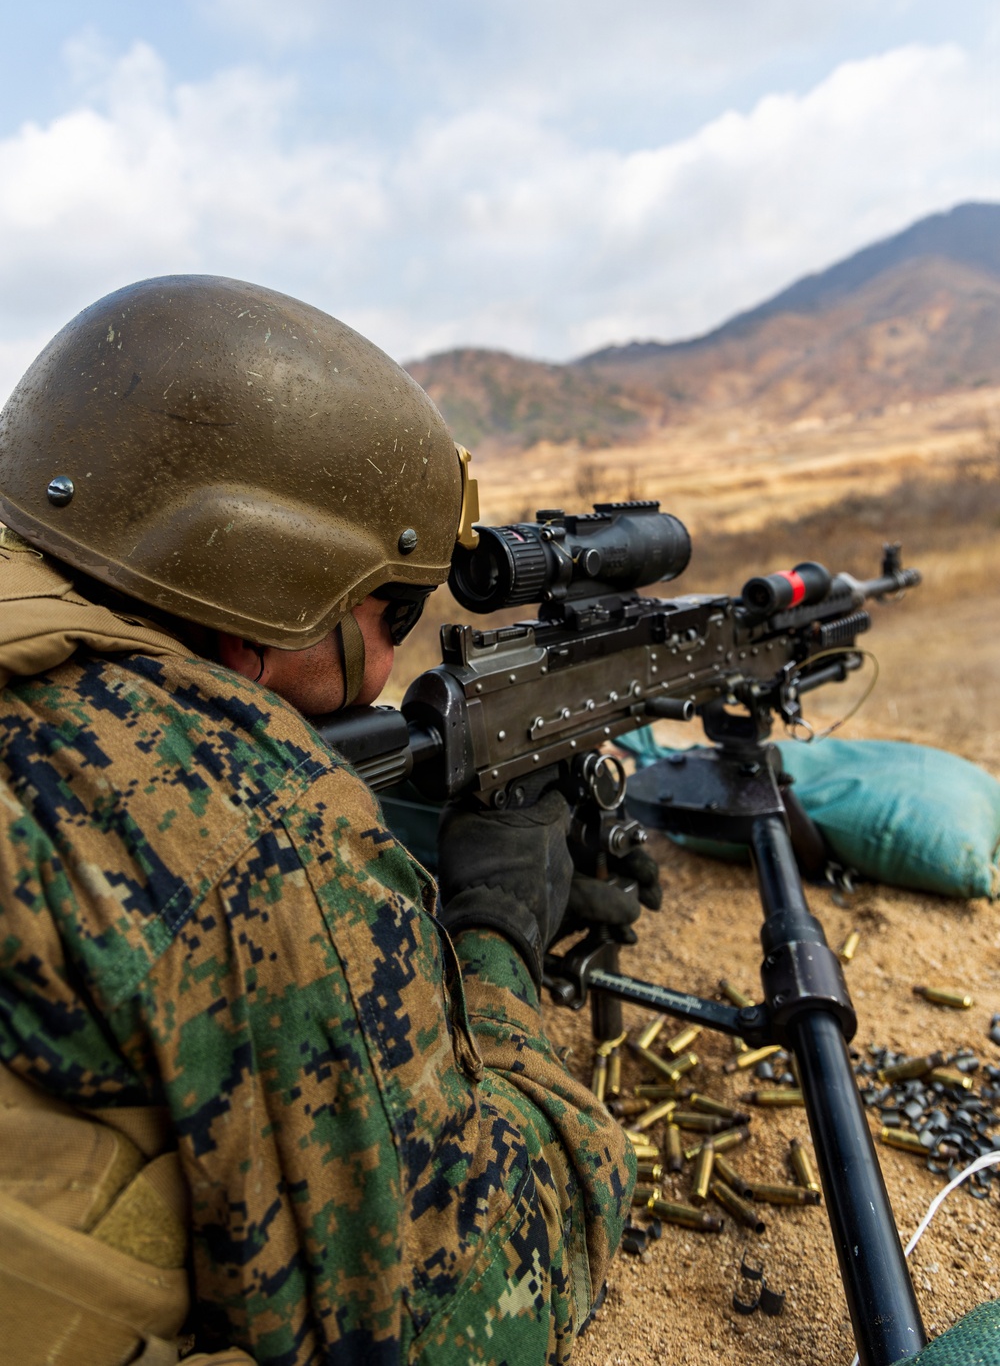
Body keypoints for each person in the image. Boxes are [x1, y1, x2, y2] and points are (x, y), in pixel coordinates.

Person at [0, 276, 636, 1366]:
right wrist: (497, 936)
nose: (388, 662)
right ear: (265, 583)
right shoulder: (241, 821)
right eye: (391, 610)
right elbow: (484, 1301)